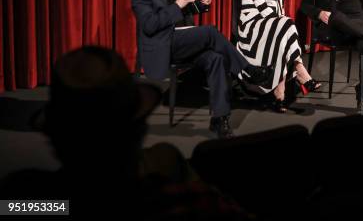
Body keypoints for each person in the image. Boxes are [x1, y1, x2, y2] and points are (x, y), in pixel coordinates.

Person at [0, 46, 253, 219]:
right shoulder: (181, 196)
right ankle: (250, 72)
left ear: (54, 138)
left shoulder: (34, 201)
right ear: (140, 128)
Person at [131, 0, 271, 138]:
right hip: (163, 46)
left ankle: (220, 118)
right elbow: (150, 26)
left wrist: (201, 4)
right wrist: (177, 6)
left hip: (184, 41)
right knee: (210, 31)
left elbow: (186, 10)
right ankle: (248, 70)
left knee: (216, 58)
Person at [237, 0, 320, 113]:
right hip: (252, 30)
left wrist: (281, 26)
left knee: (283, 30)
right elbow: (264, 11)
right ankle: (300, 70)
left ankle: (279, 93)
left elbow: (279, 14)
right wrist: (281, 24)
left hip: (272, 28)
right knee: (285, 23)